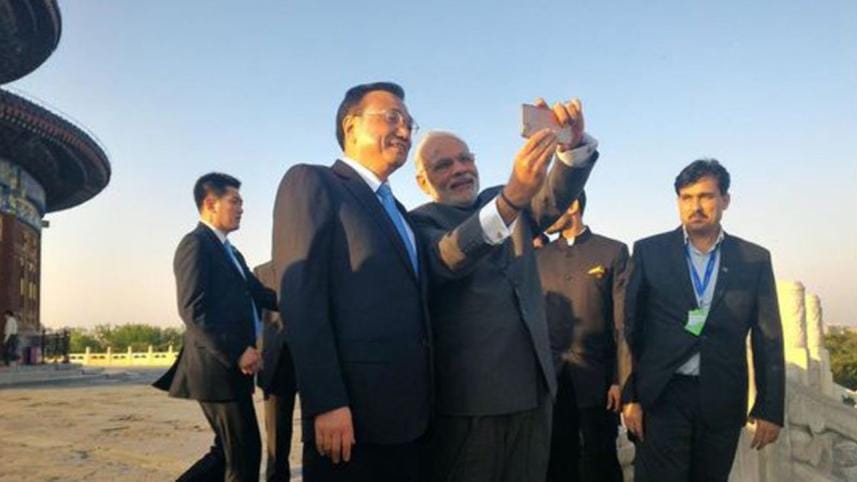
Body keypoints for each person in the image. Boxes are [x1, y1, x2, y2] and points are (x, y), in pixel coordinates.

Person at [410, 98, 599, 481]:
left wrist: (571, 146)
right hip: (472, 407)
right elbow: (451, 255)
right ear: (422, 181)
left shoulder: (503, 199)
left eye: (466, 159)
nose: (460, 170)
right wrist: (510, 200)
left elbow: (553, 195)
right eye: (444, 165)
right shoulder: (419, 224)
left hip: (534, 392)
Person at [272, 82, 430, 482]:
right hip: (350, 420)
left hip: (413, 418)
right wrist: (326, 402)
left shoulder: (402, 214)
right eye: (392, 118)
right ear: (351, 125)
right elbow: (301, 298)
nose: (405, 131)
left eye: (409, 123)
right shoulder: (314, 183)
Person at [620, 159, 785, 482]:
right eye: (687, 197)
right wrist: (631, 397)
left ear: (725, 200)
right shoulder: (649, 252)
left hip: (722, 395)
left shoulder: (753, 259)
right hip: (663, 395)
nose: (696, 206)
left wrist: (770, 407)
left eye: (706, 196)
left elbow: (768, 338)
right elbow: (630, 329)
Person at [153, 172, 277, 482]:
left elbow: (260, 294)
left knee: (226, 452)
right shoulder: (195, 244)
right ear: (210, 203)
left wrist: (307, 301)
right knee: (245, 455)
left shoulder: (231, 252)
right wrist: (237, 352)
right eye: (234, 201)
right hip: (216, 367)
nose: (241, 209)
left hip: (229, 370)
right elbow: (193, 309)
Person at [537, 191, 628, 482]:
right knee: (557, 461)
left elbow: (622, 325)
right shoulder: (538, 259)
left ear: (573, 205)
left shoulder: (612, 252)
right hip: (551, 382)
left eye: (553, 206)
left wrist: (619, 380)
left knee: (600, 461)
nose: (546, 214)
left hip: (598, 382)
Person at [253, 261, 298, 482]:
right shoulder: (260, 272)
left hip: (313, 358)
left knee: (321, 428)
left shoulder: (315, 265)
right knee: (277, 435)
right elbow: (251, 316)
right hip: (275, 360)